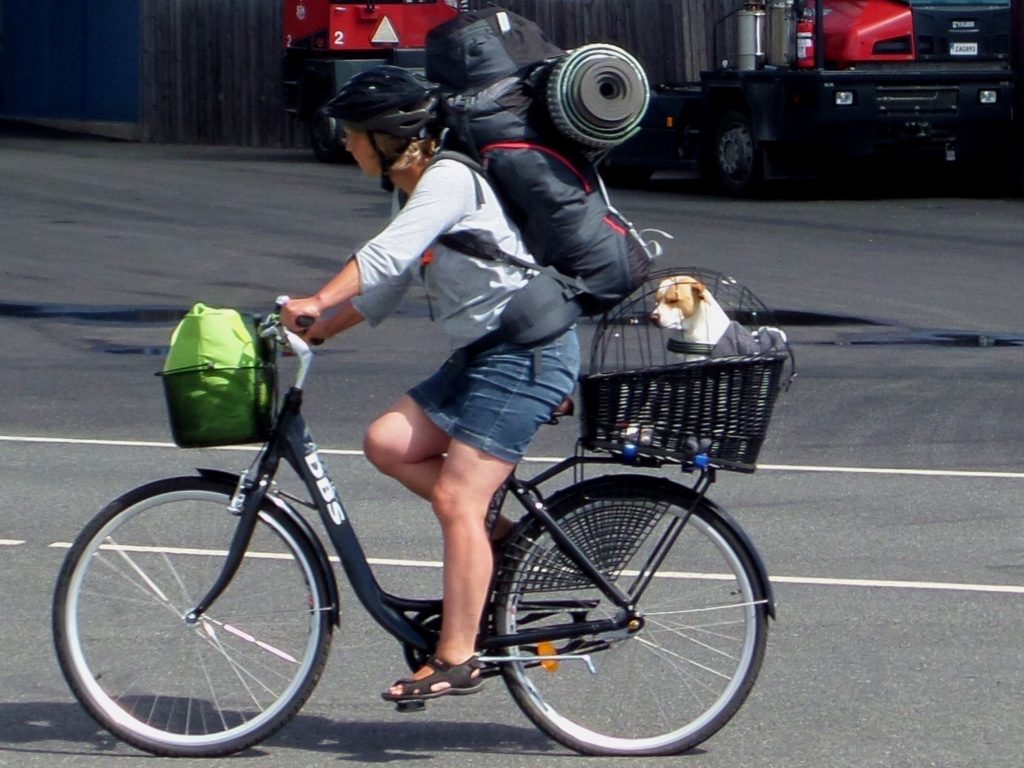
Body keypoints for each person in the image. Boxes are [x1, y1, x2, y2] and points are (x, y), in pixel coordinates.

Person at [280, 66, 580, 703]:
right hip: (484, 353)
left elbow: (383, 258)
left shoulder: (447, 179)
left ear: (389, 137)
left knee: (456, 498)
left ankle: (458, 657)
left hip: (526, 352)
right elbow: (385, 288)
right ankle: (504, 542)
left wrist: (316, 297)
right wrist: (320, 329)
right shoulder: (410, 191)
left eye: (354, 134)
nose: (346, 144)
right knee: (388, 441)